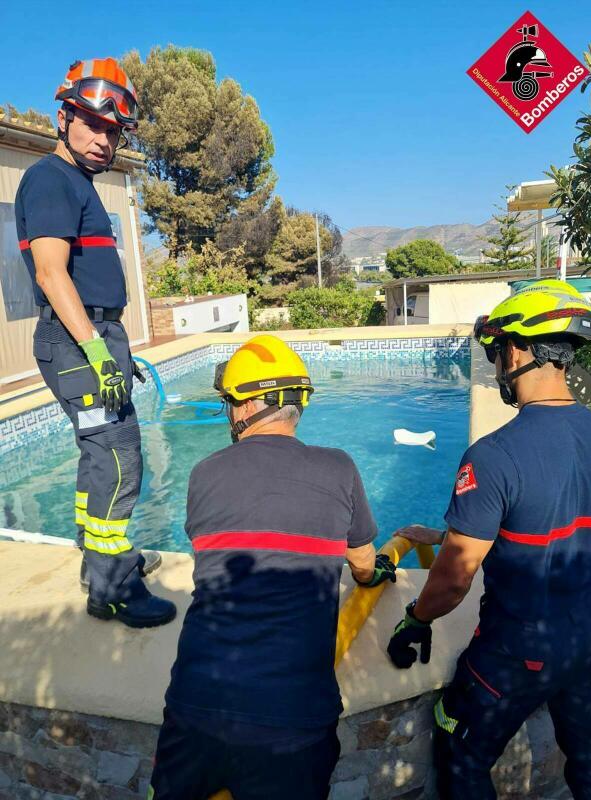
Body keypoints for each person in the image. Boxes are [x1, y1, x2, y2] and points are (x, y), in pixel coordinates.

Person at [148, 335, 397, 800]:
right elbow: (363, 563)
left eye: (229, 403)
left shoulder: (205, 472)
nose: (228, 413)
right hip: (293, 718)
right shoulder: (339, 469)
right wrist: (373, 575)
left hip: (196, 707)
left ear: (249, 407)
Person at [386, 279, 591, 800]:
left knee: (460, 750)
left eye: (497, 350)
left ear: (522, 350)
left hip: (518, 652)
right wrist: (449, 532)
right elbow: (556, 518)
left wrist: (416, 618)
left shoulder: (493, 456)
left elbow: (454, 579)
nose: (497, 365)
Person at [14, 59, 175, 628]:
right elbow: (53, 275)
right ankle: (112, 588)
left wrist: (113, 345)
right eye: (93, 125)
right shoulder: (51, 179)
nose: (104, 139)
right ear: (63, 118)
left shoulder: (76, 183)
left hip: (94, 335)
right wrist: (96, 350)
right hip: (77, 339)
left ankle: (105, 558)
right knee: (116, 456)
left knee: (100, 452)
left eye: (113, 131)